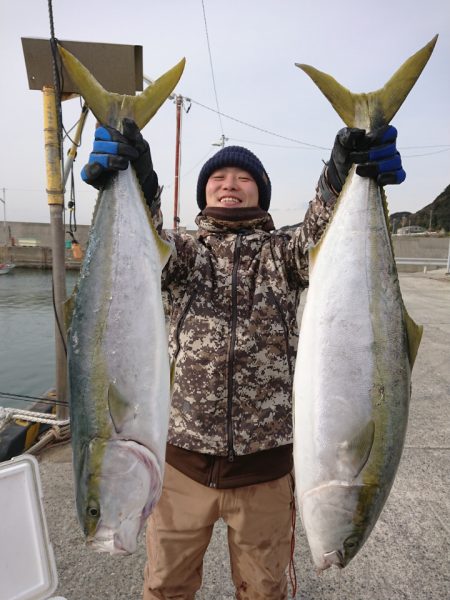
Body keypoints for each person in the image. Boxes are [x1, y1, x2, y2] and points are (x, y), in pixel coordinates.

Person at [81, 119, 405, 599]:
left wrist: (343, 174)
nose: (229, 184)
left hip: (265, 473)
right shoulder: (184, 253)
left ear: (262, 194)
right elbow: (142, 238)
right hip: (181, 467)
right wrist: (137, 180)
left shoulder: (284, 254)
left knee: (263, 590)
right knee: (166, 586)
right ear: (203, 195)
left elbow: (322, 229)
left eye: (243, 178)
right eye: (217, 178)